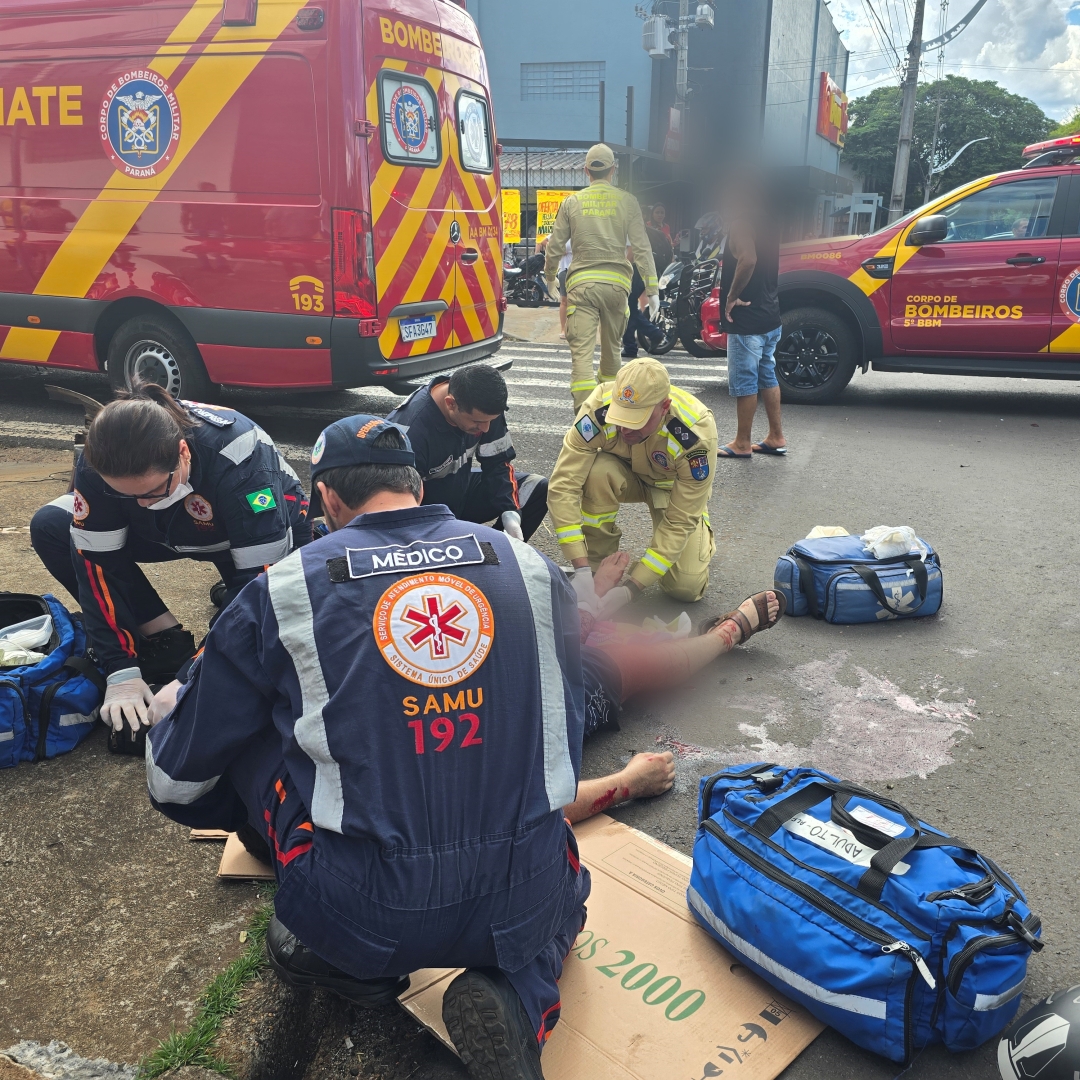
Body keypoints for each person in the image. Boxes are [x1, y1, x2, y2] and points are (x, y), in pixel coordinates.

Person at [145, 416, 588, 1078]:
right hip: (517, 892)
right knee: (567, 891)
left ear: (326, 499)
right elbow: (563, 739)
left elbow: (176, 783)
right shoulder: (530, 568)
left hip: (364, 910)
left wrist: (168, 714)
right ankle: (518, 1002)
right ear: (415, 482)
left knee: (247, 727)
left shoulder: (286, 588)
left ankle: (325, 943)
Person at [29, 383, 309, 734]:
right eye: (125, 495)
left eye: (151, 491)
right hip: (164, 532)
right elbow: (95, 564)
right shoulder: (97, 456)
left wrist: (191, 676)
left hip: (250, 529)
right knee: (53, 525)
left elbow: (260, 582)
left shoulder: (240, 457)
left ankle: (205, 632)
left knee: (269, 622)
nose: (142, 503)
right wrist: (120, 669)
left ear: (182, 452)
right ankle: (163, 639)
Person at [564, 551, 783, 823]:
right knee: (639, 663)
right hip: (562, 696)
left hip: (527, 675)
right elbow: (531, 810)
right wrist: (627, 783)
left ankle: (594, 596)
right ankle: (727, 634)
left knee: (558, 640)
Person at [548, 357, 717, 618]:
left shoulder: (694, 434)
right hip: (621, 473)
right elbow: (563, 486)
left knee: (686, 586)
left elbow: (679, 521)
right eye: (620, 416)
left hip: (669, 488)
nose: (624, 428)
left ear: (664, 407)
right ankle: (596, 562)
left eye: (636, 420)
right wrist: (579, 566)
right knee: (596, 471)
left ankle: (701, 537)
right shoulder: (598, 409)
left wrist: (631, 588)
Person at [544, 143, 659, 408]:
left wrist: (550, 276)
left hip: (582, 288)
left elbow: (556, 246)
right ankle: (611, 416)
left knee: (582, 360)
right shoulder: (628, 201)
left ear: (586, 171)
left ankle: (585, 424)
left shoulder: (571, 202)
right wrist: (652, 290)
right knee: (612, 357)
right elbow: (642, 247)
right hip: (618, 288)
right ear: (613, 171)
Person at [385, 364, 547, 541]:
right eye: (478, 422)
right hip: (426, 509)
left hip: (459, 489)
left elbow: (498, 463)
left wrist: (510, 512)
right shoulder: (411, 432)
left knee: (537, 487)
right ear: (451, 404)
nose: (485, 429)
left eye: (490, 421)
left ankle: (501, 548)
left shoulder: (482, 405)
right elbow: (399, 506)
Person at [717, 172, 786, 458]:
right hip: (770, 314)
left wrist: (731, 297)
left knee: (745, 379)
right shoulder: (770, 223)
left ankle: (742, 443)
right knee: (767, 375)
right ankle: (776, 436)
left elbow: (749, 259)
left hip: (748, 319)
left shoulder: (741, 224)